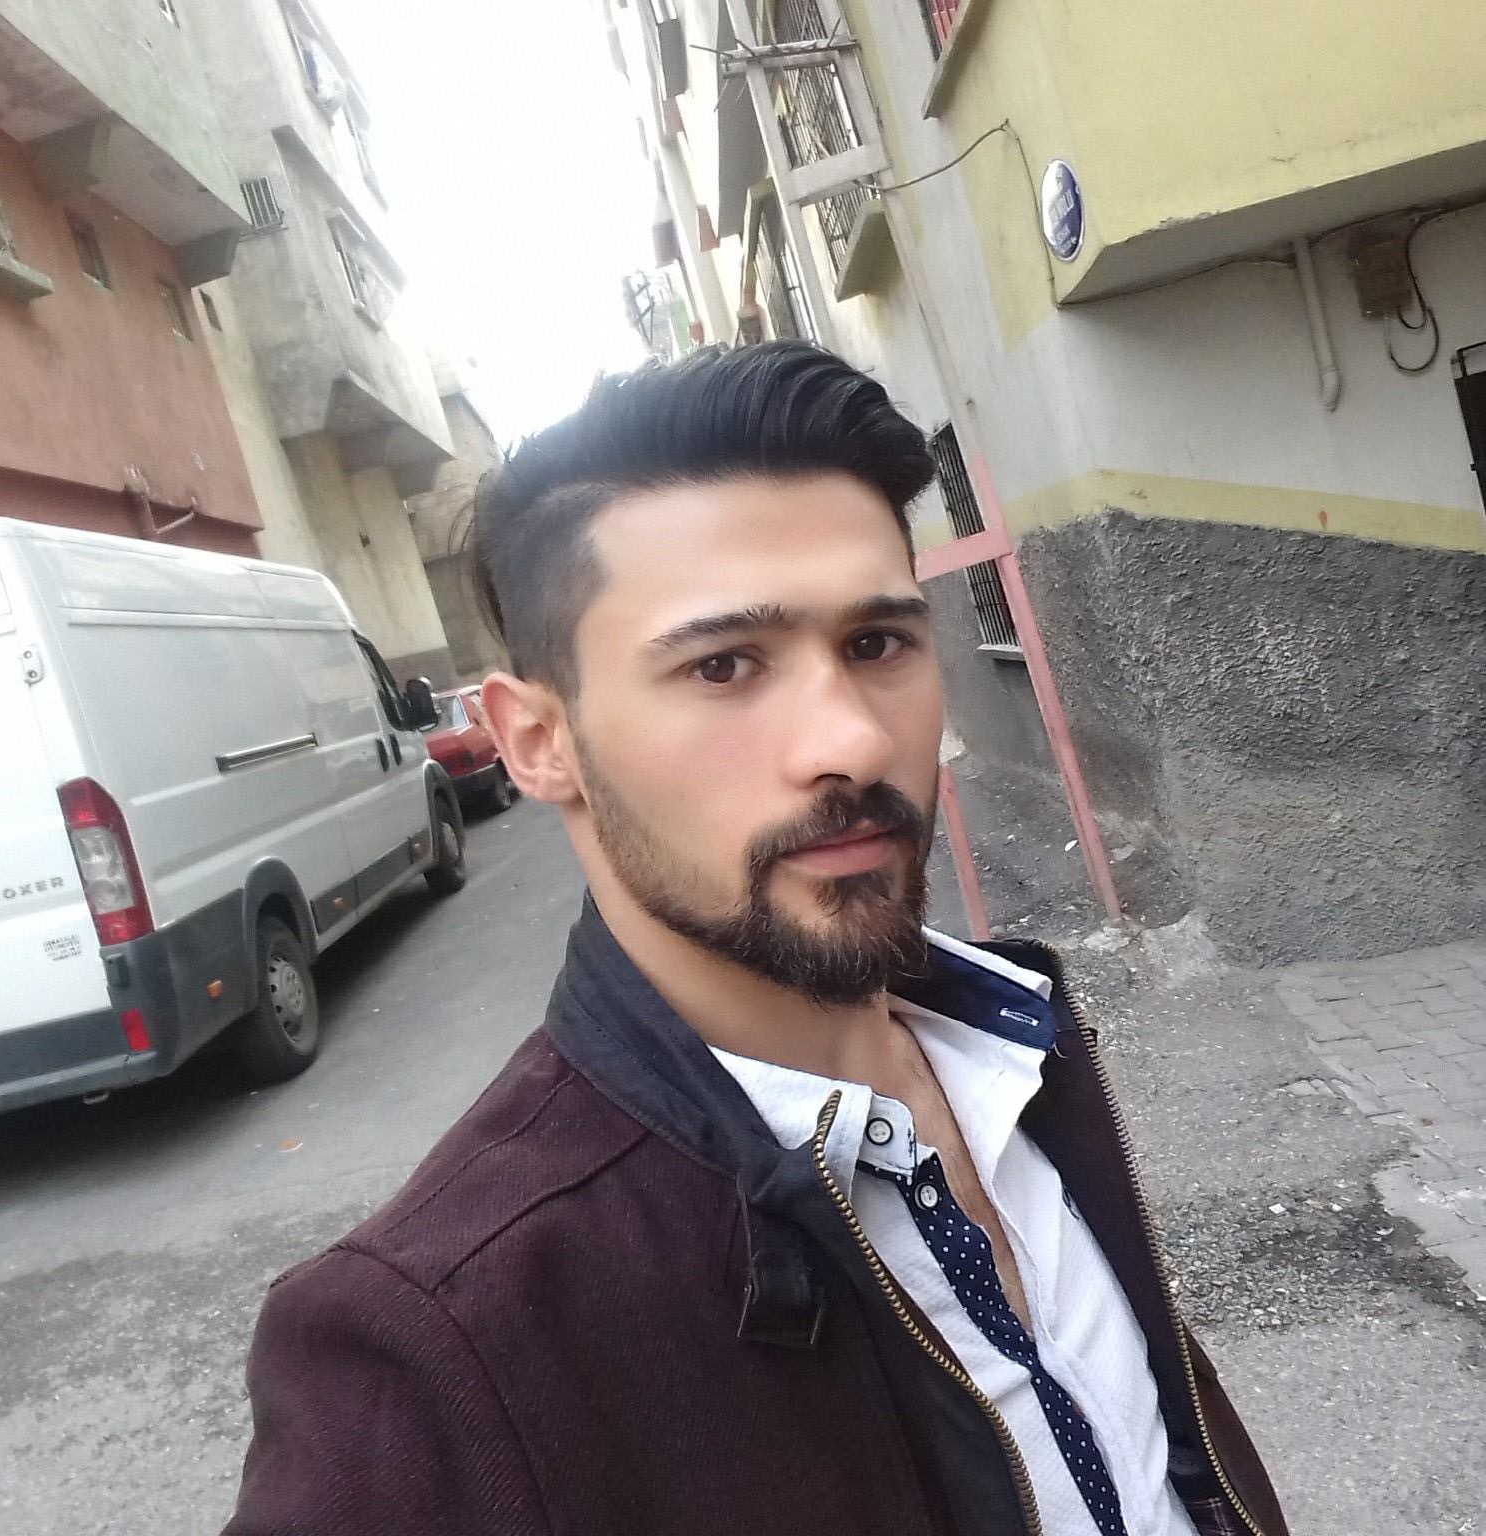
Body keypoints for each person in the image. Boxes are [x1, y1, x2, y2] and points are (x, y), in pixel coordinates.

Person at [222, 343, 1287, 1536]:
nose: (850, 742)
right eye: (723, 665)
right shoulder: (441, 1348)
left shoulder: (1014, 1047)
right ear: (536, 742)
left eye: (876, 645)